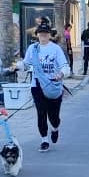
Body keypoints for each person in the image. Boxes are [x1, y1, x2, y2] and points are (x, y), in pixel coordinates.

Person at [19, 21, 69, 152]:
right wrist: (17, 66)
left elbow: (64, 65)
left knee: (54, 116)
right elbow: (25, 63)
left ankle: (55, 128)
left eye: (46, 33)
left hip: (53, 85)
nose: (43, 35)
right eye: (41, 33)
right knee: (41, 113)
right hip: (37, 86)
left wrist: (61, 73)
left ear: (49, 35)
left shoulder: (55, 49)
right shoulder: (33, 49)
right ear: (37, 35)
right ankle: (44, 140)